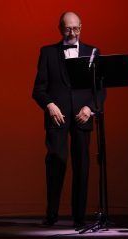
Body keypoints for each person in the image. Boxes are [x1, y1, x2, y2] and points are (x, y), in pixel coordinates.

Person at [32, 12, 106, 227]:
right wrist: (50, 105)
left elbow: (100, 90)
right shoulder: (47, 52)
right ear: (60, 28)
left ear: (81, 27)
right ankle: (52, 213)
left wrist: (90, 108)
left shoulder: (93, 52)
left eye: (76, 28)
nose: (72, 33)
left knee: (82, 165)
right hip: (57, 117)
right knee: (56, 163)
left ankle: (79, 217)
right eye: (68, 29)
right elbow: (38, 89)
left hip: (83, 116)